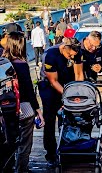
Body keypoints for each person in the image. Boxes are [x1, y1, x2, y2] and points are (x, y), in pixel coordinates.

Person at [2, 32, 45, 173]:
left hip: (5, 109)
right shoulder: (21, 65)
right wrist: (38, 110)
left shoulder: (2, 64)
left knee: (9, 141)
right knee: (25, 141)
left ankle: (7, 167)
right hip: (23, 108)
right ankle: (22, 168)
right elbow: (29, 90)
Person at [38, 37, 83, 167]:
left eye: (73, 56)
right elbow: (53, 81)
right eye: (69, 55)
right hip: (49, 86)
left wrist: (78, 93)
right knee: (50, 119)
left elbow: (79, 75)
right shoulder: (50, 55)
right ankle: (51, 153)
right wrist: (67, 96)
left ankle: (67, 148)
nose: (71, 57)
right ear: (64, 47)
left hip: (67, 83)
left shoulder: (77, 53)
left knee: (69, 117)